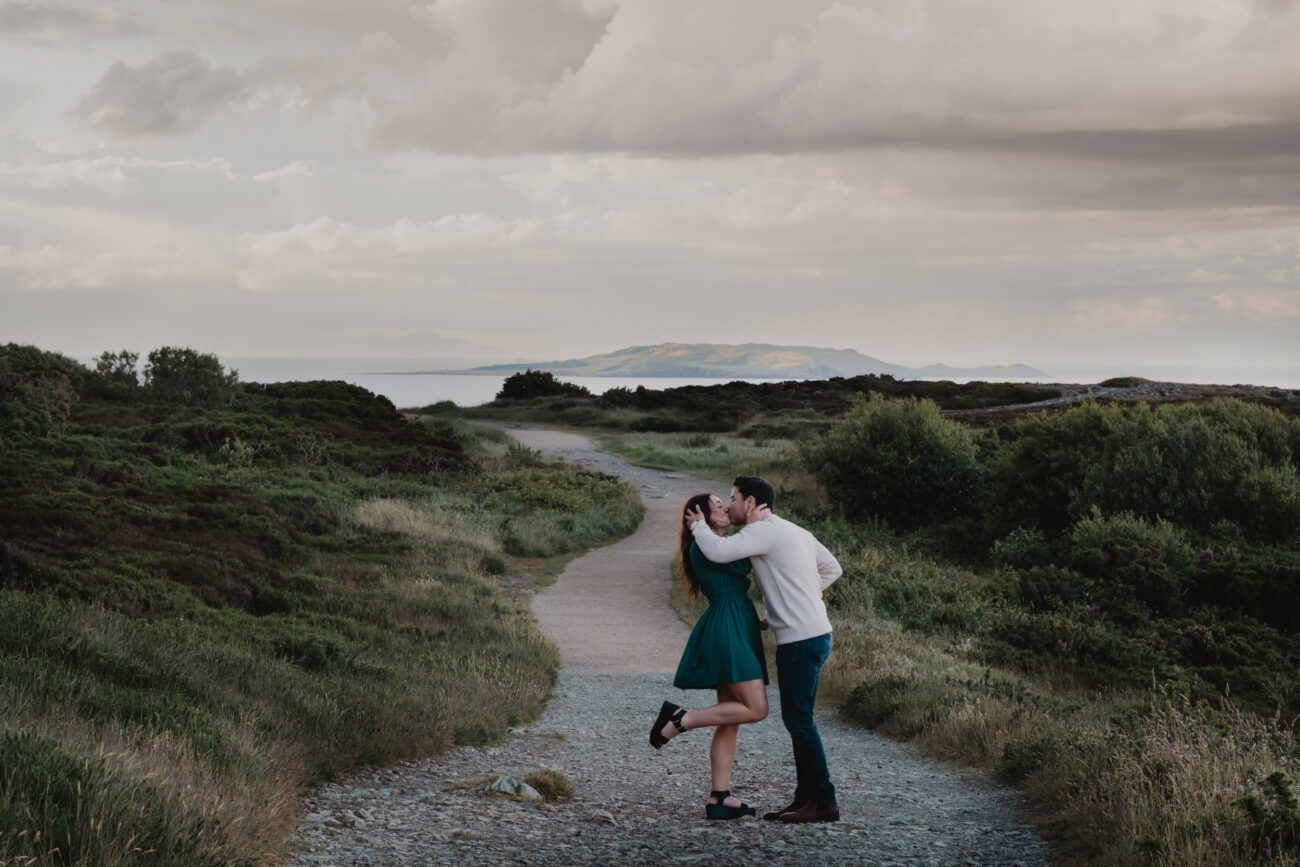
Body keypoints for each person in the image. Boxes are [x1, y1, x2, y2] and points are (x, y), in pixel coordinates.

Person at [683, 475, 842, 824]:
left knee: (800, 721)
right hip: (813, 632)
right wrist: (797, 600)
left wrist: (697, 526)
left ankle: (823, 801)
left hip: (800, 639)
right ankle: (805, 798)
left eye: (734, 498)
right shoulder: (795, 530)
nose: (731, 504)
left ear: (752, 503)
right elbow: (832, 568)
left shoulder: (761, 530)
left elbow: (719, 551)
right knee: (798, 720)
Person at [649, 492, 770, 820]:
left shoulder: (714, 543)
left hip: (735, 623)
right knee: (756, 708)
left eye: (723, 501)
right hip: (728, 628)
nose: (725, 507)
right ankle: (679, 719)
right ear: (700, 516)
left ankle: (720, 797)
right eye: (717, 504)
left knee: (731, 719)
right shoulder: (705, 544)